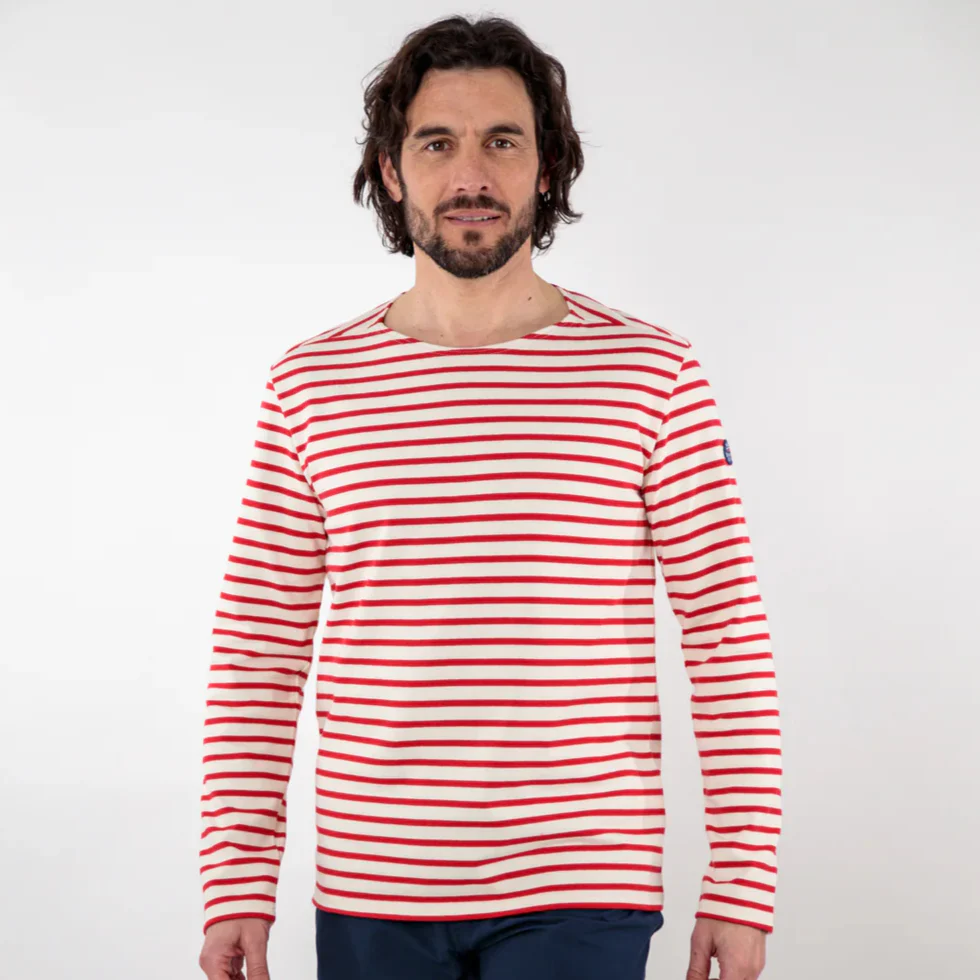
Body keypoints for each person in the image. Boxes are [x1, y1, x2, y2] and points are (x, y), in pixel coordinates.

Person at [197, 14, 780, 980]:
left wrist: (742, 882)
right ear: (391, 171)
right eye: (437, 142)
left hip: (583, 883)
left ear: (547, 169)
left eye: (503, 141)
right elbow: (259, 649)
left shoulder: (651, 374)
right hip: (374, 886)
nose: (471, 174)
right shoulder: (312, 384)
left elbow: (726, 634)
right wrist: (236, 884)